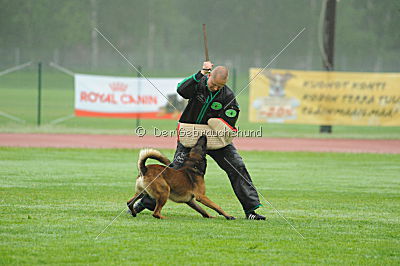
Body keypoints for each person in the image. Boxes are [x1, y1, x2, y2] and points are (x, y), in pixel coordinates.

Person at [131, 61, 265, 220]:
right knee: (175, 171)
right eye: (214, 84)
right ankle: (144, 203)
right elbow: (181, 90)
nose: (216, 88)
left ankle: (251, 211)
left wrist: (216, 122)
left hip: (215, 141)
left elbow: (229, 122)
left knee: (237, 166)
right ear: (209, 76)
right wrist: (200, 73)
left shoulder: (227, 96)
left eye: (219, 87)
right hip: (190, 137)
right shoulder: (198, 84)